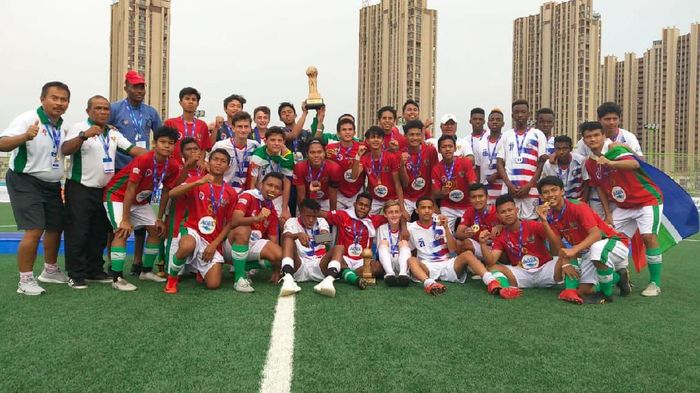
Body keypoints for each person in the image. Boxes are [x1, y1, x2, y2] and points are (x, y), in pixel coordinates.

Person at [62, 95, 146, 289]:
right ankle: (76, 274)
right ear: (88, 111)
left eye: (106, 109)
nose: (102, 112)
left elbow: (132, 150)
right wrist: (84, 135)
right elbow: (66, 149)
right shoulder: (79, 127)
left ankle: (94, 270)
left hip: (104, 190)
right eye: (98, 108)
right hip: (80, 188)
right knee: (78, 232)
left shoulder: (113, 132)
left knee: (99, 233)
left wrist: (160, 154)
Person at [1, 81, 71, 295]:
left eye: (64, 99)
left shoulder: (63, 126)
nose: (59, 103)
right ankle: (25, 281)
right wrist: (25, 136)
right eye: (54, 98)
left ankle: (49, 270)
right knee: (35, 229)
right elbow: (2, 143)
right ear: (43, 99)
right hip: (25, 180)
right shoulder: (28, 119)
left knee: (56, 226)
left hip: (51, 185)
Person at [582, 121, 664, 297]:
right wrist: (608, 214)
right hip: (624, 206)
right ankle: (621, 276)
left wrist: (611, 163)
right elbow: (599, 188)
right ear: (584, 140)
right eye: (588, 137)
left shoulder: (615, 149)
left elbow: (634, 164)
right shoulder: (590, 163)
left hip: (647, 200)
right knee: (610, 238)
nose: (592, 139)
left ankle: (655, 283)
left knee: (648, 237)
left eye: (596, 135)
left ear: (604, 136)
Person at [103, 126, 181, 291]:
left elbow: (166, 191)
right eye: (163, 142)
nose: (167, 146)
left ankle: (145, 272)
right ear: (154, 143)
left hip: (139, 201)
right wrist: (125, 219)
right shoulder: (144, 159)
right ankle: (116, 278)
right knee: (121, 231)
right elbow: (130, 189)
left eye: (171, 143)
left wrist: (159, 218)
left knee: (155, 230)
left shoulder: (172, 165)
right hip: (117, 195)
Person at [537, 176, 630, 305]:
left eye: (554, 190)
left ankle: (606, 295)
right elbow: (558, 245)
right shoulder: (551, 215)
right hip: (590, 251)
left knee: (595, 249)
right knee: (585, 290)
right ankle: (619, 278)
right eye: (546, 192)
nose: (550, 195)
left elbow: (596, 235)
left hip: (613, 242)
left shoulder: (578, 206)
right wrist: (544, 221)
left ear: (562, 191)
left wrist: (574, 250)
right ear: (541, 197)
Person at [109, 70, 162, 276]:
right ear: (126, 88)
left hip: (144, 173)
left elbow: (161, 135)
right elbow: (102, 126)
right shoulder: (114, 108)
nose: (140, 90)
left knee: (142, 220)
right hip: (119, 169)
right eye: (135, 86)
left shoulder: (151, 112)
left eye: (142, 87)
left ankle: (139, 262)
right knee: (114, 222)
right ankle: (112, 264)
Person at [407, 197, 515, 298]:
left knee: (468, 254)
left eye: (430, 208)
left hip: (448, 263)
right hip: (428, 266)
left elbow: (453, 250)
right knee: (411, 260)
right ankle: (430, 284)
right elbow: (409, 249)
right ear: (417, 210)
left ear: (434, 209)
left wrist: (446, 229)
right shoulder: (411, 228)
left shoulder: (441, 223)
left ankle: (491, 281)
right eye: (423, 208)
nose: (426, 210)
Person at [164, 149, 238, 293]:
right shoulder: (197, 181)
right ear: (208, 163)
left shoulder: (231, 192)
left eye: (223, 161)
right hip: (193, 231)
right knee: (186, 246)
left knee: (213, 284)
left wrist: (214, 245)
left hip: (212, 239)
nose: (218, 163)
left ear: (228, 167)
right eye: (215, 159)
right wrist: (198, 182)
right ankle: (172, 280)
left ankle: (198, 269)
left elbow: (229, 223)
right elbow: (172, 194)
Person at [479, 194, 562, 293]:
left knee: (568, 256)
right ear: (498, 216)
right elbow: (491, 261)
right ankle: (506, 290)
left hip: (545, 269)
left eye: (510, 210)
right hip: (521, 274)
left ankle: (571, 290)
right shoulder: (500, 234)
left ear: (517, 210)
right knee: (492, 268)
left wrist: (544, 222)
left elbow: (556, 244)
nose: (508, 214)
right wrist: (483, 244)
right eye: (503, 212)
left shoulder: (533, 225)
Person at [575, 102, 643, 219]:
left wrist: (625, 148)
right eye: (607, 119)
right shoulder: (584, 142)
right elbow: (577, 163)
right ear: (599, 120)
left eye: (614, 118)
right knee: (602, 227)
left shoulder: (628, 137)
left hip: (624, 192)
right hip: (598, 194)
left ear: (619, 119)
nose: (611, 122)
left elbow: (640, 162)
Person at [312, 192, 381, 296]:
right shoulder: (343, 215)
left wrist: (403, 228)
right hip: (344, 259)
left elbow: (396, 217)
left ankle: (345, 275)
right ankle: (353, 278)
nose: (362, 208)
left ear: (370, 208)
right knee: (336, 256)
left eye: (366, 206)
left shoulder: (373, 220)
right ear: (355, 204)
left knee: (378, 267)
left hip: (361, 262)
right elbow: (323, 214)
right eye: (360, 204)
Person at [227, 172, 284, 293]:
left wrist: (276, 269)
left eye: (277, 188)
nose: (272, 189)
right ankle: (239, 280)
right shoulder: (248, 195)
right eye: (270, 185)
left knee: (278, 253)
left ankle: (241, 267)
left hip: (251, 243)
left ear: (280, 193)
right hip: (229, 243)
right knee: (244, 229)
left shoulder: (271, 210)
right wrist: (256, 219)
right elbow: (235, 221)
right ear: (261, 185)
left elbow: (273, 241)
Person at [496, 99, 547, 220]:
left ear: (528, 114)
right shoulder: (506, 135)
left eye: (523, 112)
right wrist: (509, 185)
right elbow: (499, 163)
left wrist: (529, 185)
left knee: (532, 222)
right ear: (512, 115)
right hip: (510, 189)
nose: (520, 115)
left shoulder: (538, 134)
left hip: (531, 189)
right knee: (510, 221)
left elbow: (542, 163)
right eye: (516, 112)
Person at [279, 198, 335, 296]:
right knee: (288, 240)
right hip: (300, 265)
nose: (311, 220)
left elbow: (326, 237)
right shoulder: (292, 221)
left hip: (319, 265)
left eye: (314, 216)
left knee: (339, 248)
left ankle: (328, 281)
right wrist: (297, 235)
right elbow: (284, 237)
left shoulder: (321, 221)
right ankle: (288, 279)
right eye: (308, 216)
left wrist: (311, 238)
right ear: (300, 213)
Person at [351, 126, 407, 216]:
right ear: (368, 141)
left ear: (383, 140)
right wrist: (358, 156)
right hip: (375, 199)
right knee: (364, 219)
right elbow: (354, 177)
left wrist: (402, 207)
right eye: (373, 137)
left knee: (399, 219)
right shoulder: (364, 158)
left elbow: (397, 183)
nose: (376, 140)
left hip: (392, 198)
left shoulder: (390, 157)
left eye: (379, 137)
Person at [430, 135, 477, 231]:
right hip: (448, 205)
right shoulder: (436, 169)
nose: (447, 149)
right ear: (439, 150)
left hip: (466, 204)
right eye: (444, 147)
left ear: (455, 148)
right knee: (442, 231)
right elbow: (435, 194)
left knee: (471, 231)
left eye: (450, 146)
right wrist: (442, 192)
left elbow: (473, 184)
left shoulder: (465, 162)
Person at [247, 127, 294, 220]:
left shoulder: (287, 156)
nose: (276, 143)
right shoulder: (258, 156)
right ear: (265, 141)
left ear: (284, 142)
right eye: (272, 140)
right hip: (260, 193)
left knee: (284, 220)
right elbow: (252, 183)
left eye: (280, 140)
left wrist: (284, 209)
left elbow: (287, 183)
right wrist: (253, 203)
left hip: (277, 196)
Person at [211, 111, 260, 193]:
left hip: (245, 193)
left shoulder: (255, 146)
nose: (243, 130)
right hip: (224, 192)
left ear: (250, 128)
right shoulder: (220, 146)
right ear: (233, 128)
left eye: (246, 126)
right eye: (240, 127)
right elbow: (208, 165)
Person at [398, 119, 438, 216]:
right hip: (408, 198)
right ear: (405, 136)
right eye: (411, 135)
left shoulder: (431, 151)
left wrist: (433, 201)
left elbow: (434, 177)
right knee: (400, 220)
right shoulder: (400, 154)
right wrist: (402, 165)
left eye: (418, 134)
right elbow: (404, 183)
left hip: (426, 198)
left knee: (437, 224)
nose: (415, 138)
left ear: (422, 136)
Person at [164, 87, 211, 166]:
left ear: (197, 104)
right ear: (180, 102)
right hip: (175, 167)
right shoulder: (170, 123)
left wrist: (201, 161)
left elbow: (203, 147)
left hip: (196, 168)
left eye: (193, 99)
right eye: (187, 99)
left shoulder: (202, 125)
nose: (190, 102)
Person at [455, 184, 501, 262]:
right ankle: (465, 268)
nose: (477, 200)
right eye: (474, 197)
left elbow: (512, 225)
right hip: (480, 246)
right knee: (459, 243)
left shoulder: (497, 211)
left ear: (487, 197)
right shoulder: (469, 211)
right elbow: (458, 233)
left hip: (496, 248)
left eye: (480, 196)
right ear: (469, 199)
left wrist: (501, 226)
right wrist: (466, 234)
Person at [325, 117, 364, 209]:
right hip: (338, 192)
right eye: (344, 130)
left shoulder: (362, 147)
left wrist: (356, 157)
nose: (347, 132)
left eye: (350, 129)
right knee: (337, 221)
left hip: (357, 192)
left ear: (354, 132)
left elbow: (355, 175)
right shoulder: (330, 148)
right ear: (338, 133)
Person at [293, 139, 341, 211]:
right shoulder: (299, 167)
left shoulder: (334, 168)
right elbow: (301, 196)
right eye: (312, 152)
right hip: (307, 199)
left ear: (324, 153)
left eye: (319, 152)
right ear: (306, 154)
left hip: (325, 200)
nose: (316, 155)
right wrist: (303, 213)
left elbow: (333, 196)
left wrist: (332, 216)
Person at [375, 200, 411, 286]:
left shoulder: (408, 227)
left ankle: (403, 274)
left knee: (404, 242)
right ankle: (389, 274)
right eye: (390, 212)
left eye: (396, 212)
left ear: (400, 213)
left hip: (402, 261)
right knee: (383, 242)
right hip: (387, 262)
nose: (394, 215)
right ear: (385, 214)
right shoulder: (381, 228)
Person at [542, 135, 588, 200]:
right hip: (557, 203)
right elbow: (544, 185)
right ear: (555, 149)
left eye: (565, 148)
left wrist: (584, 201)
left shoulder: (580, 161)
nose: (561, 152)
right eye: (558, 149)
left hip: (577, 202)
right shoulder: (548, 165)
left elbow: (586, 182)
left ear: (571, 149)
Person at [474, 109, 505, 205]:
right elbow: (478, 168)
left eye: (498, 120)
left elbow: (509, 165)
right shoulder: (480, 143)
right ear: (487, 123)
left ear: (503, 123)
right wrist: (478, 187)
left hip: (502, 189)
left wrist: (496, 175)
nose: (495, 122)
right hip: (486, 189)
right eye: (492, 120)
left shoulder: (506, 140)